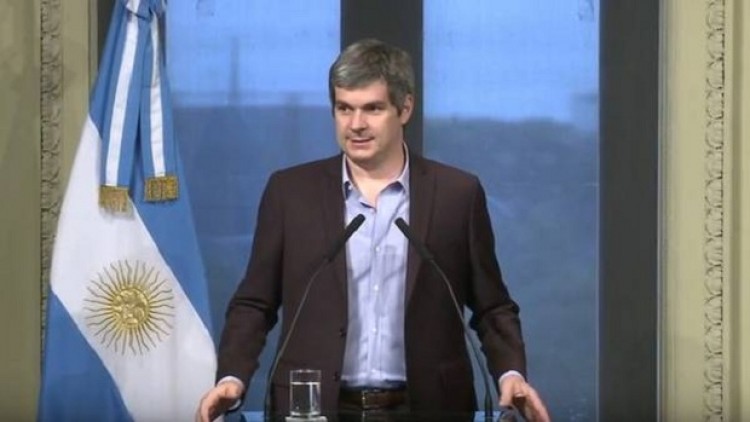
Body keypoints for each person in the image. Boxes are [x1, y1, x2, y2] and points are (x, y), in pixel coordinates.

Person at [197, 38, 550, 422]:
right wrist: (232, 377)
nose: (356, 125)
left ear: (405, 108)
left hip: (429, 406)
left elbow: (492, 306)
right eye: (344, 108)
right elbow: (255, 303)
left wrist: (511, 374)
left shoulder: (457, 194)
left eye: (373, 108)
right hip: (313, 408)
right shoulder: (290, 193)